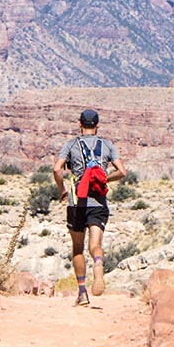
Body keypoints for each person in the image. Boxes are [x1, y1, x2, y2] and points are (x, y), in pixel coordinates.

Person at [53, 109, 127, 306]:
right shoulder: (107, 145)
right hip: (98, 203)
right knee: (95, 246)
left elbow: (57, 169)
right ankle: (98, 263)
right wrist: (105, 178)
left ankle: (82, 291)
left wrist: (62, 189)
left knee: (78, 248)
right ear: (97, 126)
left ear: (79, 124)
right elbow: (122, 172)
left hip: (77, 203)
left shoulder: (71, 145)